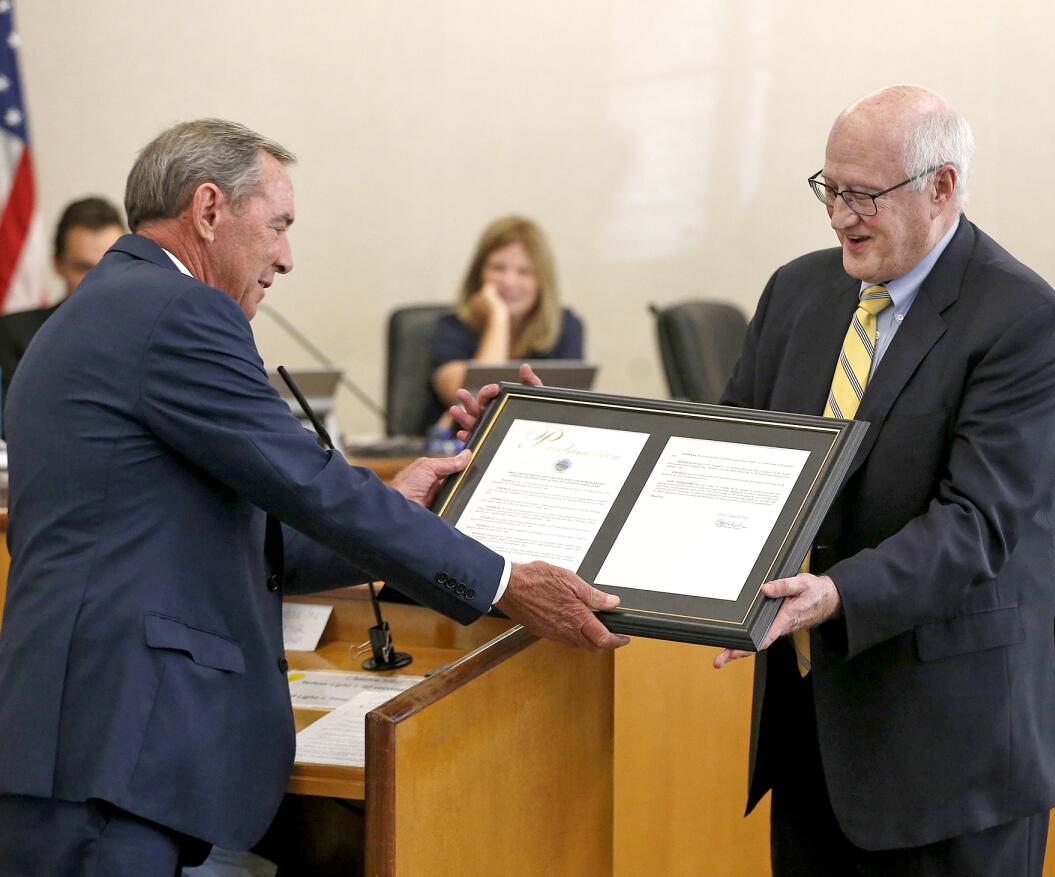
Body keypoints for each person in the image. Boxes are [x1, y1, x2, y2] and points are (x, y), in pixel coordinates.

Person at [455, 86, 1055, 877]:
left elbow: (975, 524)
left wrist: (836, 593)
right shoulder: (800, 291)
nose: (840, 216)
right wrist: (558, 438)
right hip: (814, 738)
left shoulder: (1023, 319)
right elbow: (712, 456)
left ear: (943, 186)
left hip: (954, 752)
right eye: (830, 189)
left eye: (864, 195)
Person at [0, 119, 626, 877]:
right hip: (111, 754)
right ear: (208, 210)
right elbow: (312, 482)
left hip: (91, 750)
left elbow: (256, 538)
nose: (287, 258)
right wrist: (503, 581)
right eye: (280, 226)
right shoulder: (175, 311)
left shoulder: (116, 306)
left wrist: (403, 499)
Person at [422, 215, 584, 434]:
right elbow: (475, 399)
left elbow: (569, 414)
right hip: (460, 456)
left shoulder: (566, 327)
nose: (509, 282)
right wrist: (498, 319)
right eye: (498, 268)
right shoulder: (452, 327)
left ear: (542, 281)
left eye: (524, 271)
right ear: (479, 274)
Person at [0, 196, 125, 393]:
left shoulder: (154, 335)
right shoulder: (13, 335)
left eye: (110, 264)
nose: (98, 279)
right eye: (83, 267)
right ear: (57, 264)